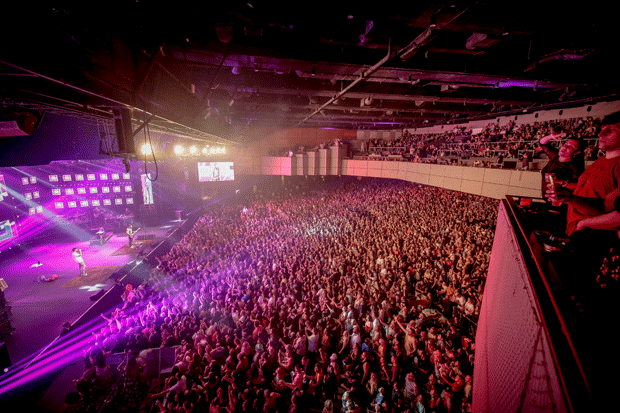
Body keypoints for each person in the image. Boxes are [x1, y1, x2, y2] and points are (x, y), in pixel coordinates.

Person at [538, 130, 584, 198]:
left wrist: (561, 182)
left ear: (576, 153)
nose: (565, 147)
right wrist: (551, 136)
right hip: (546, 198)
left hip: (561, 202)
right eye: (566, 144)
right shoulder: (555, 156)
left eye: (571, 147)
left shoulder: (574, 167)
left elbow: (580, 186)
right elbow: (542, 143)